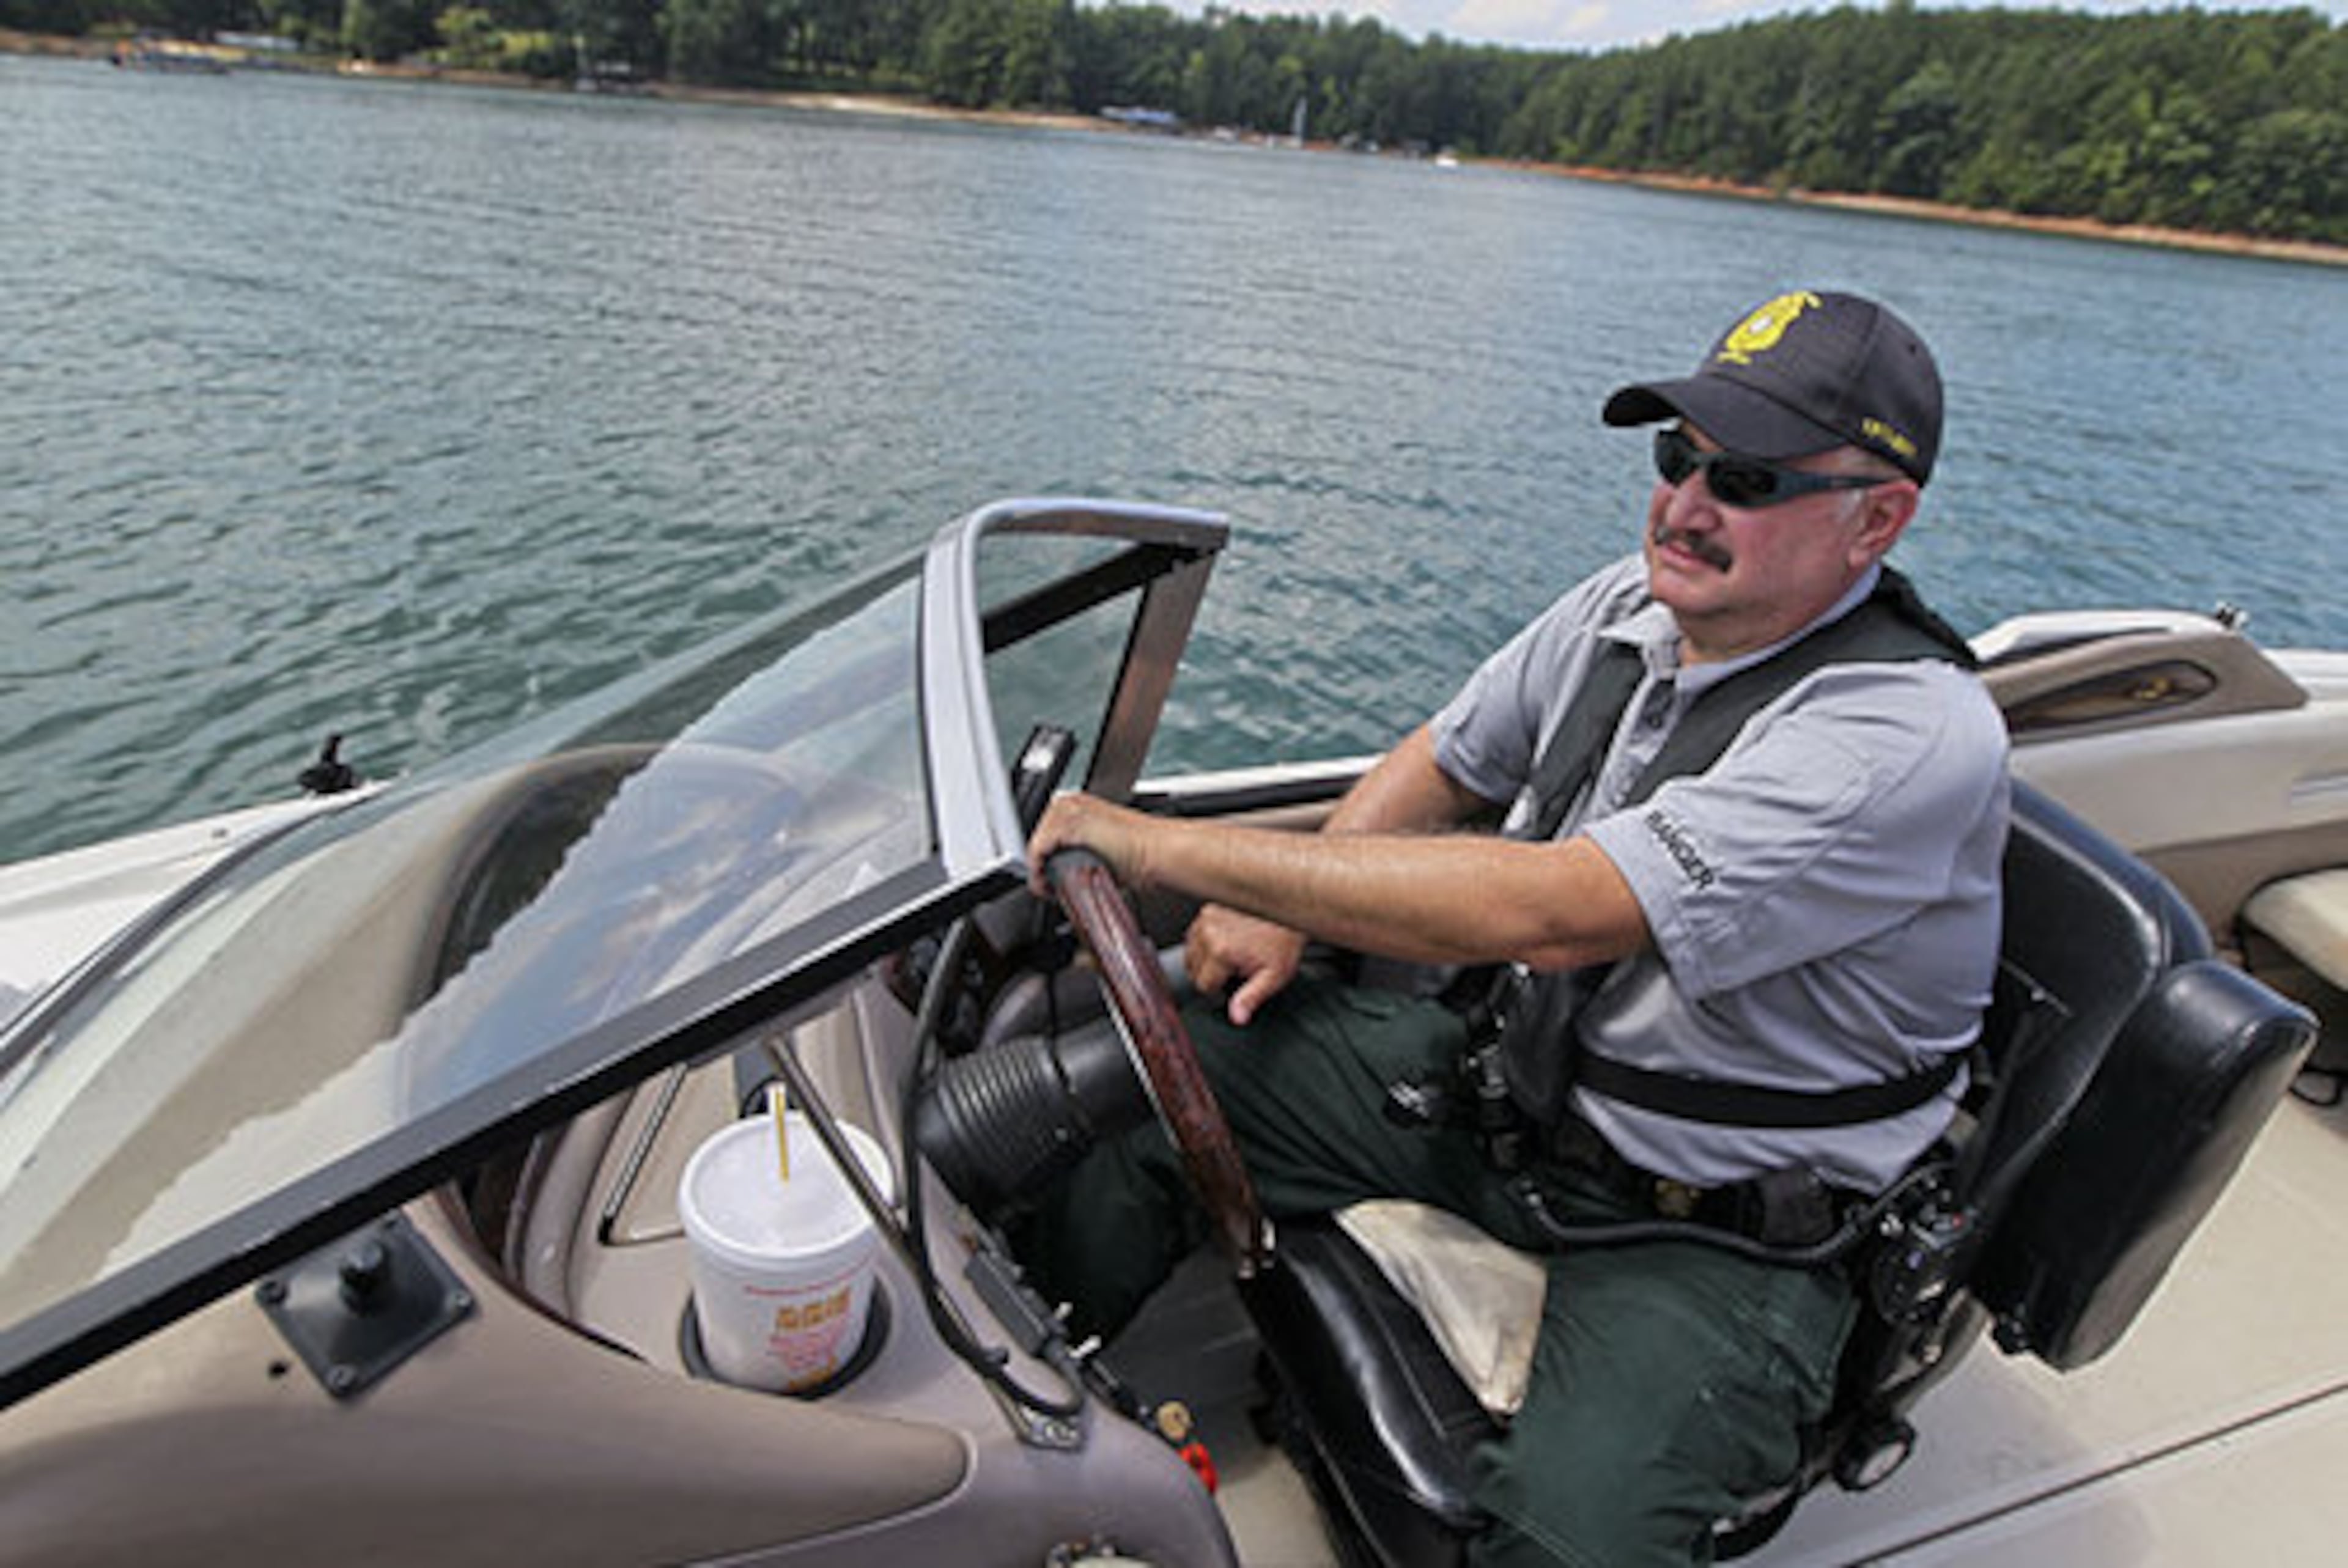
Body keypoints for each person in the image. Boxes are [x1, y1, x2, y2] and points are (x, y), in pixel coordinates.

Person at [1022, 289, 2011, 1566]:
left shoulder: (1903, 733)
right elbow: (1447, 756)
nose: (1685, 505)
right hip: (1517, 1110)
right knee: (1145, 1074)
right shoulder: (1631, 609)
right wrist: (1289, 892)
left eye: (1748, 478)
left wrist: (1163, 847)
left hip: (1715, 1234)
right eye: (1677, 458)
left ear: (1876, 517)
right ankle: (1023, 1429)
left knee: (1562, 1540)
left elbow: (1555, 911)